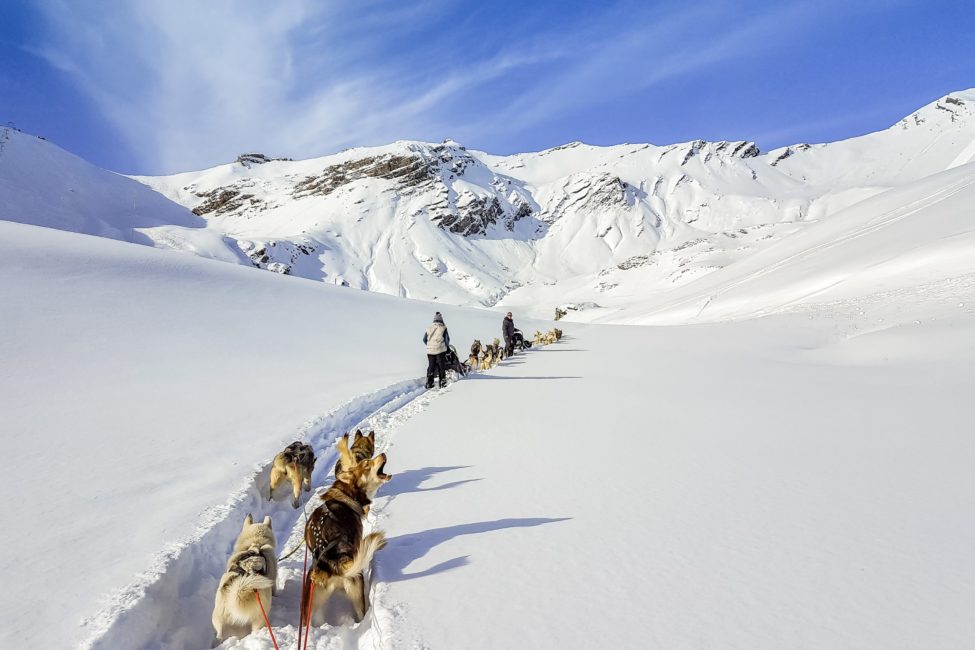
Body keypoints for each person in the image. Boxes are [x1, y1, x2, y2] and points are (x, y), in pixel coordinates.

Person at [423, 312, 450, 389]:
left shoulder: (429, 328)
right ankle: (442, 382)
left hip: (430, 351)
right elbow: (447, 340)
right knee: (441, 366)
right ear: (441, 320)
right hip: (440, 350)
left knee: (431, 366)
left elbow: (424, 339)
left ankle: (429, 383)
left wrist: (430, 345)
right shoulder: (443, 328)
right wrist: (446, 347)